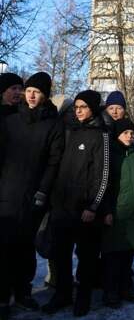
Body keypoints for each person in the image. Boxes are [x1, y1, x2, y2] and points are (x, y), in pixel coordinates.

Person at [0, 73, 63, 319]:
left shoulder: (53, 124)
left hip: (34, 197)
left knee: (25, 247)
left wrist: (43, 190)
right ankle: (3, 296)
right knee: (4, 246)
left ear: (45, 94)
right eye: (28, 91)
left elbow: (54, 161)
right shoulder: (11, 121)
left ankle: (24, 292)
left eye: (37, 91)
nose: (31, 95)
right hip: (6, 194)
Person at [43, 90, 111, 317]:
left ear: (93, 108)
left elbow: (102, 175)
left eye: (83, 106)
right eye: (77, 106)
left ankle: (83, 297)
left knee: (86, 256)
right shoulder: (68, 129)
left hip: (85, 209)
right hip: (62, 205)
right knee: (60, 254)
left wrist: (93, 206)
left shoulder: (100, 134)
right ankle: (62, 294)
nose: (79, 110)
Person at [101, 118, 134, 308]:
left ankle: (126, 287)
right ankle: (110, 291)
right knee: (113, 255)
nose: (129, 136)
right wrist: (106, 210)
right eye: (125, 133)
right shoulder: (110, 156)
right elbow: (105, 185)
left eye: (132, 133)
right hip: (116, 212)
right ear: (117, 134)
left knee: (128, 253)